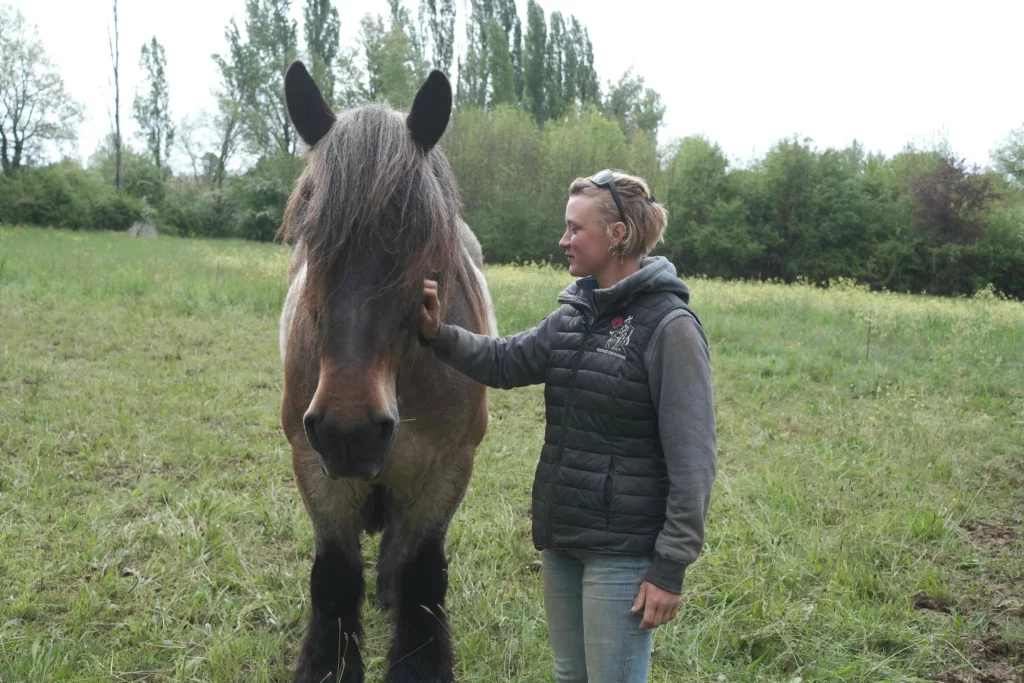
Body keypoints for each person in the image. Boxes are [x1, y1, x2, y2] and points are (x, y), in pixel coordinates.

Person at [419, 169, 717, 683]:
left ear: (618, 234)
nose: (563, 240)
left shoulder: (670, 327)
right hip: (563, 540)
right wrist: (437, 334)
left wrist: (670, 567)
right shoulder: (576, 313)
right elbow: (505, 361)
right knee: (570, 676)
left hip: (622, 553)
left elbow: (694, 462)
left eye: (575, 229)